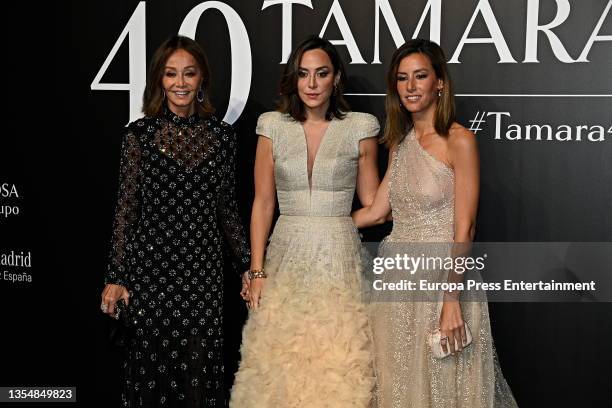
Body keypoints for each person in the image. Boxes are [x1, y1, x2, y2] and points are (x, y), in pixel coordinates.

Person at [352, 39, 517, 407]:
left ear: (439, 82)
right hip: (396, 281)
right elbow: (378, 212)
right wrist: (325, 225)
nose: (410, 87)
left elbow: (466, 227)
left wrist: (452, 296)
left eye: (421, 76)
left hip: (443, 279)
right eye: (402, 78)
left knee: (445, 388)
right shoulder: (398, 141)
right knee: (397, 385)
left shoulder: (460, 141)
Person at [100, 35, 250, 407]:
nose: (180, 83)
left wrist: (248, 265)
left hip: (202, 278)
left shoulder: (223, 137)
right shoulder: (140, 136)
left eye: (189, 74)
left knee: (199, 375)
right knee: (151, 374)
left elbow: (227, 209)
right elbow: (126, 210)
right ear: (159, 80)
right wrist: (116, 277)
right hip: (151, 277)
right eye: (171, 74)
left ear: (202, 80)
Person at [230, 36, 380, 407]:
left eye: (322, 74)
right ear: (294, 80)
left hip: (338, 260)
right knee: (278, 361)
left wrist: (335, 223)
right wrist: (257, 270)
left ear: (337, 79)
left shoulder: (360, 127)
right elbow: (263, 204)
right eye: (303, 74)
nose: (312, 84)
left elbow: (374, 205)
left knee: (338, 360)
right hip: (285, 258)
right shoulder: (272, 127)